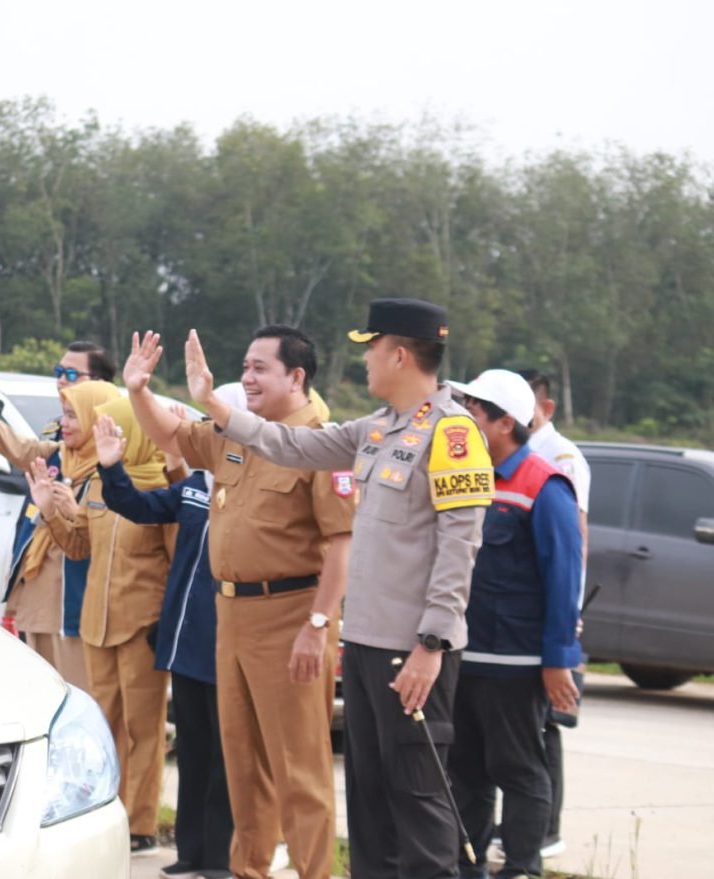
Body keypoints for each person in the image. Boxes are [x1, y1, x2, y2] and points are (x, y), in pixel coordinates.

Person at [148, 297, 494, 879]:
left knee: (418, 800)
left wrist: (432, 644)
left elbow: (460, 549)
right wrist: (210, 401)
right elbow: (289, 445)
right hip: (363, 641)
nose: (365, 362)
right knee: (370, 801)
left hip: (410, 651)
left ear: (401, 354)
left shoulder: (453, 434)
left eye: (372, 349)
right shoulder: (377, 428)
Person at [123, 325, 355, 879]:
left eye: (260, 368)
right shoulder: (235, 434)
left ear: (295, 377)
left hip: (291, 615)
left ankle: (314, 873)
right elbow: (172, 437)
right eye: (245, 366)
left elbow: (343, 543)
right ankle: (247, 870)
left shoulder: (323, 444)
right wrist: (137, 391)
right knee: (243, 765)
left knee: (299, 769)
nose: (246, 377)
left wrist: (318, 624)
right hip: (232, 615)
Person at [24, 392, 175, 857]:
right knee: (101, 728)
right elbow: (80, 548)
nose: (106, 437)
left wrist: (164, 624)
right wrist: (49, 508)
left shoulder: (160, 490)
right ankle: (100, 818)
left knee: (142, 730)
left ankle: (141, 823)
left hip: (141, 625)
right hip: (97, 623)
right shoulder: (99, 486)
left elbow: (177, 565)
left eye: (116, 430)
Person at [445, 369, 582, 879]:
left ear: (504, 423)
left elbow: (564, 579)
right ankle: (468, 867)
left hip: (516, 663)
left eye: (473, 412)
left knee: (520, 772)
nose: (462, 420)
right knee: (466, 774)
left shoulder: (544, 486)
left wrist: (557, 661)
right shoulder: (464, 476)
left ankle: (521, 868)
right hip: (463, 655)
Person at [92, 404, 234, 879]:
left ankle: (220, 857)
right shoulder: (195, 486)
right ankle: (191, 852)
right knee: (193, 751)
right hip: (186, 639)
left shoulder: (250, 488)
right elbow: (139, 508)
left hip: (230, 640)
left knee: (224, 755)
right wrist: (111, 466)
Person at [0, 358, 105, 692]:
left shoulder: (108, 472)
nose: (63, 423)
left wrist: (69, 508)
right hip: (37, 588)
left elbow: (97, 539)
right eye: (64, 415)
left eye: (72, 416)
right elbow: (14, 444)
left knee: (74, 689)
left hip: (71, 596)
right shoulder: (57, 454)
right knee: (42, 689)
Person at [519, 368, 591, 860]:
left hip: (553, 609)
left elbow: (574, 541)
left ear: (545, 408)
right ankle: (522, 827)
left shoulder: (560, 457)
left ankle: (546, 829)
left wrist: (567, 619)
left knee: (545, 723)